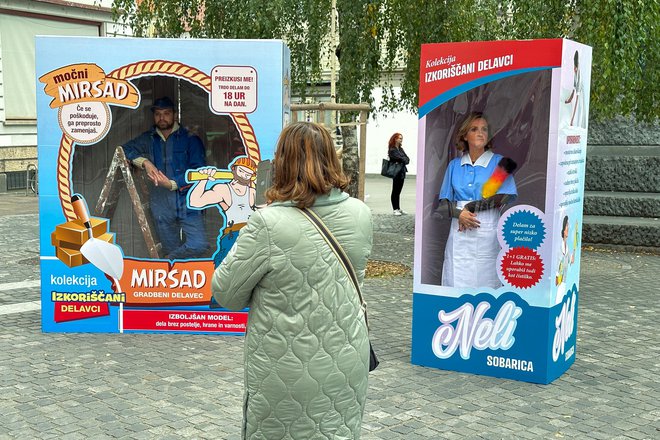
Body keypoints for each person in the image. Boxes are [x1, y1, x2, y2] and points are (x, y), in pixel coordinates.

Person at [212, 122, 373, 440]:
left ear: (282, 164)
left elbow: (226, 293)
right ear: (332, 158)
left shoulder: (267, 224)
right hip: (347, 361)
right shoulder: (360, 213)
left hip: (285, 370)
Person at [437, 112, 517, 288]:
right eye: (474, 129)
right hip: (459, 230)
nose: (480, 133)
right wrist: (460, 215)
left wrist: (471, 207)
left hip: (487, 228)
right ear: (465, 135)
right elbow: (443, 205)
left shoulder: (501, 163)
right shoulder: (454, 166)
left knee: (487, 277)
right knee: (457, 277)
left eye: (484, 129)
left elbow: (502, 197)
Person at [123, 96, 207, 259]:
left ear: (175, 115)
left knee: (199, 245)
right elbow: (124, 149)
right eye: (158, 114)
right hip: (160, 202)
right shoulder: (149, 138)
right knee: (171, 247)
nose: (162, 118)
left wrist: (172, 183)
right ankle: (177, 276)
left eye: (166, 113)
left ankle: (166, 261)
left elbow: (199, 171)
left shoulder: (191, 139)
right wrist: (145, 162)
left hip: (188, 200)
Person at [188, 155, 257, 267]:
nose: (244, 176)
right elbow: (195, 202)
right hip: (233, 234)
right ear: (233, 170)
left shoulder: (253, 192)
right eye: (241, 171)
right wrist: (203, 180)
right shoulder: (223, 189)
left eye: (248, 174)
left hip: (252, 235)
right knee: (224, 267)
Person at [555, 215, 575, 304]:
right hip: (560, 279)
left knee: (562, 298)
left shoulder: (567, 246)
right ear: (563, 230)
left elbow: (571, 260)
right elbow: (558, 261)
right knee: (558, 299)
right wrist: (556, 275)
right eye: (567, 226)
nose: (568, 228)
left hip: (564, 279)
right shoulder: (560, 246)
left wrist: (573, 254)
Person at [388, 132, 410, 216]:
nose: (401, 140)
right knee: (395, 190)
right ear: (395, 139)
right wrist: (402, 159)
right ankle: (395, 209)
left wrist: (402, 159)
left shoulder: (400, 149)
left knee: (399, 191)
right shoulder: (392, 149)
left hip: (402, 171)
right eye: (400, 138)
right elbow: (401, 159)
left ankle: (398, 208)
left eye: (402, 138)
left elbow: (407, 159)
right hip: (396, 172)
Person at [564, 50, 584, 127]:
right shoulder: (575, 73)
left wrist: (572, 120)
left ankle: (573, 122)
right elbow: (574, 86)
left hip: (579, 94)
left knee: (577, 110)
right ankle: (572, 122)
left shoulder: (579, 75)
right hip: (576, 93)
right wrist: (570, 99)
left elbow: (576, 88)